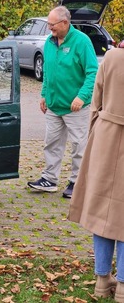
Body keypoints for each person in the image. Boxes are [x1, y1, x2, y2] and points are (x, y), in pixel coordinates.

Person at [68, 42, 124, 302]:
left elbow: (96, 101)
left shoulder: (111, 57)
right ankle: (122, 285)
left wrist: (95, 133)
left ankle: (102, 279)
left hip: (106, 137)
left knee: (102, 209)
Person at [27, 6, 98, 198]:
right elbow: (48, 71)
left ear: (65, 23)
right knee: (51, 143)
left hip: (76, 107)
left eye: (52, 25)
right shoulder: (50, 42)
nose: (50, 28)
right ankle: (49, 179)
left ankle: (77, 182)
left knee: (79, 147)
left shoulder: (82, 42)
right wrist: (44, 94)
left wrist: (82, 97)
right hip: (54, 104)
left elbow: (93, 72)